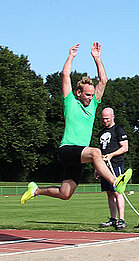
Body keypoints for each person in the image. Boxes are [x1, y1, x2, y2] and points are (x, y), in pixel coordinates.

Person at [21, 43, 127, 204]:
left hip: (79, 156)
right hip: (67, 150)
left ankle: (35, 190)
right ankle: (115, 181)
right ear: (79, 93)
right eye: (87, 95)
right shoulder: (70, 102)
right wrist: (71, 56)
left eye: (92, 95)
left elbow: (103, 81)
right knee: (96, 153)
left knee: (65, 193)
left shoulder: (93, 105)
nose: (91, 98)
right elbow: (65, 74)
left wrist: (97, 59)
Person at [97, 107, 129, 230]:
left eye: (107, 118)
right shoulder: (101, 133)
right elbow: (100, 151)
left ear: (113, 117)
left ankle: (121, 219)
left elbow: (124, 148)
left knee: (117, 191)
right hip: (104, 166)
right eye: (103, 119)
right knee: (109, 193)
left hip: (115, 164)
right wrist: (97, 168)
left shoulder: (118, 130)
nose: (105, 121)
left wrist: (112, 155)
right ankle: (113, 218)